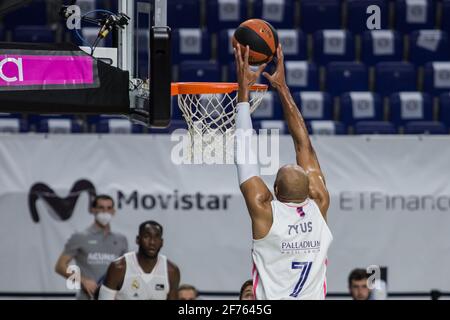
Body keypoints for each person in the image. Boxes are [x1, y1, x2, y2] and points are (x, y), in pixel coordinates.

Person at [233, 44, 333, 300]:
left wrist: (243, 94)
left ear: (274, 191)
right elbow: (304, 145)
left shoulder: (265, 211)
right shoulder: (320, 202)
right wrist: (282, 88)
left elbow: (245, 155)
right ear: (311, 188)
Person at [55, 194, 128, 300]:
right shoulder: (80, 237)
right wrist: (83, 280)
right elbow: (60, 266)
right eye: (101, 208)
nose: (105, 212)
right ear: (93, 210)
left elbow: (126, 270)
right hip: (87, 297)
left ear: (113, 211)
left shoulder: (121, 239)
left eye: (108, 208)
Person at [98, 220, 180, 300]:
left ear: (162, 242)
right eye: (147, 237)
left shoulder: (171, 271)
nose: (152, 242)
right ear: (138, 239)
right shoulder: (119, 268)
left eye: (156, 237)